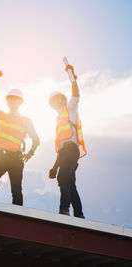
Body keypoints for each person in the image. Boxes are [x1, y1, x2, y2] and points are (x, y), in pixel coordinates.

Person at [0, 70, 40, 205]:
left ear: (20, 102)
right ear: (7, 101)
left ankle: (18, 220)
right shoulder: (0, 115)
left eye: (16, 99)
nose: (13, 101)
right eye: (11, 98)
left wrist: (30, 153)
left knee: (16, 190)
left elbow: (36, 139)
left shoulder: (26, 120)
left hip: (16, 158)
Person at [48, 64, 87, 218]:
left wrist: (72, 77)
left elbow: (76, 95)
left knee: (62, 178)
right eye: (54, 101)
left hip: (71, 151)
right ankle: (79, 214)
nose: (57, 102)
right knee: (70, 184)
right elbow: (60, 148)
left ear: (63, 99)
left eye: (59, 99)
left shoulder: (70, 108)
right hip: (64, 153)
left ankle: (64, 210)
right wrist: (54, 167)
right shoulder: (58, 120)